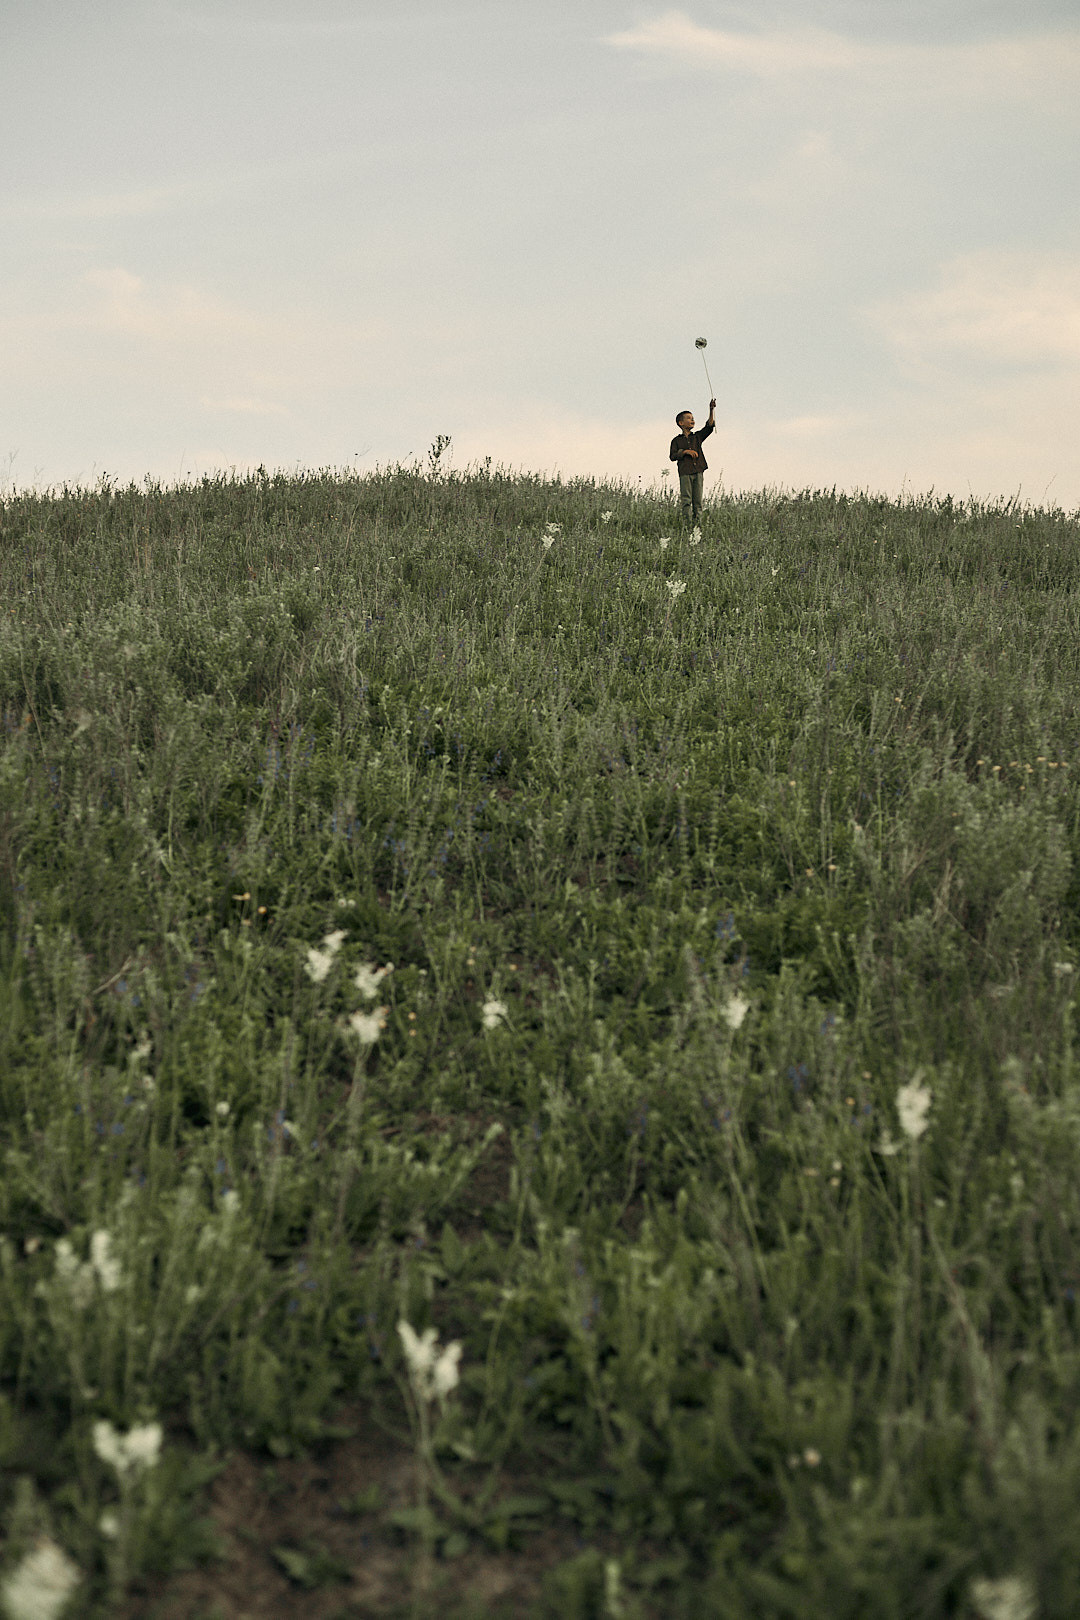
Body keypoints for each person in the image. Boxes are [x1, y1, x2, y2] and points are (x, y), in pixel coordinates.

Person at [669, 400, 716, 527]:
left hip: (698, 471)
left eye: (693, 418)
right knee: (686, 500)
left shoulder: (697, 437)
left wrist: (711, 410)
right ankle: (687, 526)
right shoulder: (676, 441)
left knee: (698, 502)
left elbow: (709, 427)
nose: (692, 420)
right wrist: (685, 452)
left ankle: (697, 527)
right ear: (681, 423)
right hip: (685, 472)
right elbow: (672, 456)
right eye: (689, 418)